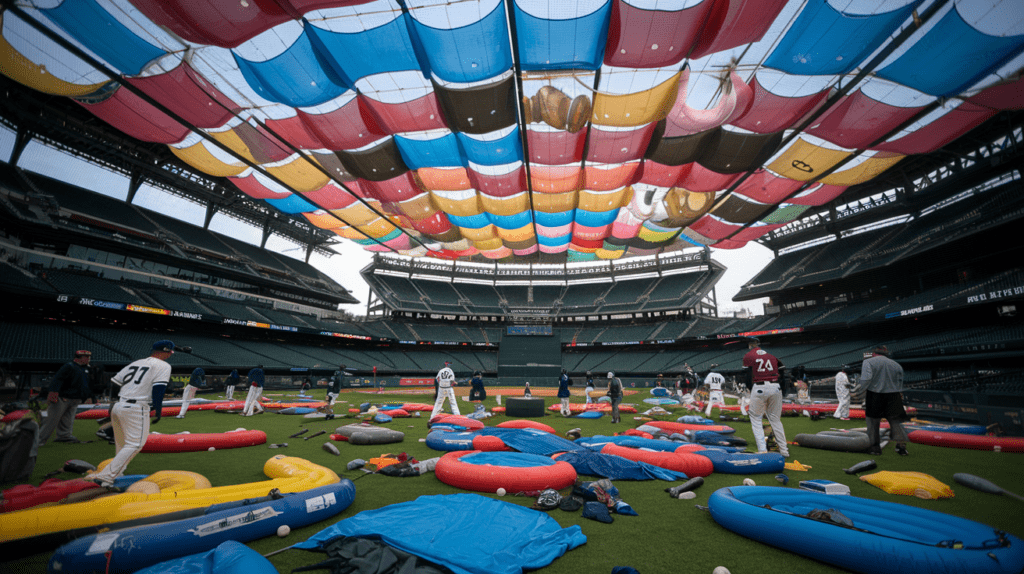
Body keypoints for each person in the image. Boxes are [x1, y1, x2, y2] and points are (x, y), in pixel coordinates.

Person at [88, 340, 173, 488]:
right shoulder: (163, 365)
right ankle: (106, 477)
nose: (170, 355)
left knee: (122, 444)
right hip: (136, 407)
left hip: (120, 404)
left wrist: (114, 401)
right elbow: (159, 388)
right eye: (170, 352)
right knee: (135, 444)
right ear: (165, 351)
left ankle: (117, 472)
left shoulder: (137, 363)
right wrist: (158, 409)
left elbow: (115, 382)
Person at [741, 337, 789, 458]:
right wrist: (782, 389)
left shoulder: (748, 355)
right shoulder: (772, 356)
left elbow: (747, 375)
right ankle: (784, 450)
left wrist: (750, 389)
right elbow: (784, 373)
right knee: (775, 420)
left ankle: (762, 450)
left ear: (750, 345)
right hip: (775, 386)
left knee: (756, 418)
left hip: (759, 386)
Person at [38, 350, 95, 446]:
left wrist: (88, 396)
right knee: (51, 419)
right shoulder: (69, 366)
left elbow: (86, 385)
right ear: (79, 358)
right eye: (86, 357)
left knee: (68, 419)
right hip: (62, 398)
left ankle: (64, 436)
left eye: (89, 357)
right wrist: (53, 392)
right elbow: (57, 379)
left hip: (75, 398)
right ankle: (38, 440)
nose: (89, 359)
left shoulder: (84, 369)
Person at [860, 346, 909, 456]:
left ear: (874, 353)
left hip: (875, 395)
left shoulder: (869, 362)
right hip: (894, 395)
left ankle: (875, 448)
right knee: (895, 422)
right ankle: (901, 447)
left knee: (873, 423)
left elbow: (866, 379)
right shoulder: (896, 365)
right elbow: (900, 382)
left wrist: (861, 391)